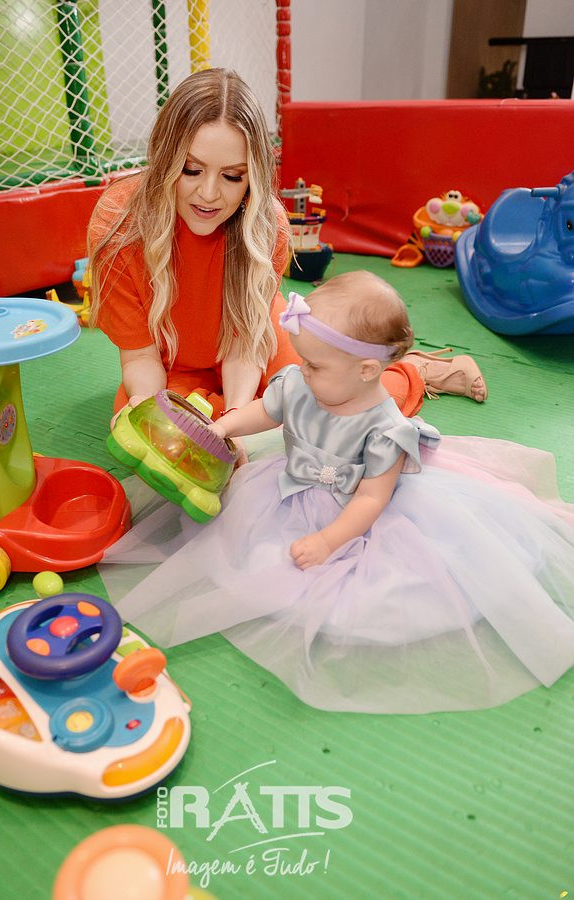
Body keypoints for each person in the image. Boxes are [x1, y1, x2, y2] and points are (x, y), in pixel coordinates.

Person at [99, 270, 574, 715]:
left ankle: (430, 375)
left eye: (315, 365)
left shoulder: (386, 431)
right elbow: (266, 411)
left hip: (356, 512)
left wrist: (328, 541)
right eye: (303, 361)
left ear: (367, 370)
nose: (302, 371)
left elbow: (371, 500)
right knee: (238, 550)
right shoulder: (300, 382)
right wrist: (225, 427)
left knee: (376, 598)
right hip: (291, 488)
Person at [88, 68, 486, 445]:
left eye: (232, 176)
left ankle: (416, 370)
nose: (208, 194)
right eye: (191, 170)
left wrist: (238, 420)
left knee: (328, 407)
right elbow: (139, 356)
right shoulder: (119, 225)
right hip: (169, 362)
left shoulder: (265, 224)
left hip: (252, 345)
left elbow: (245, 347)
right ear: (165, 160)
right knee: (154, 429)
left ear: (253, 176)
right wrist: (146, 406)